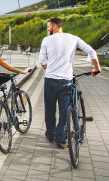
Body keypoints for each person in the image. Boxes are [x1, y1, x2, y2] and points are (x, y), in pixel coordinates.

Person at [39, 17, 101, 149]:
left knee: (49, 109)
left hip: (50, 80)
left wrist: (50, 69)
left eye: (48, 26)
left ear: (55, 26)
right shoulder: (73, 38)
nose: (47, 29)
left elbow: (42, 61)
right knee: (64, 110)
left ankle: (50, 134)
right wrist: (96, 68)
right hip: (66, 80)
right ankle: (60, 139)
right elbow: (91, 51)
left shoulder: (46, 40)